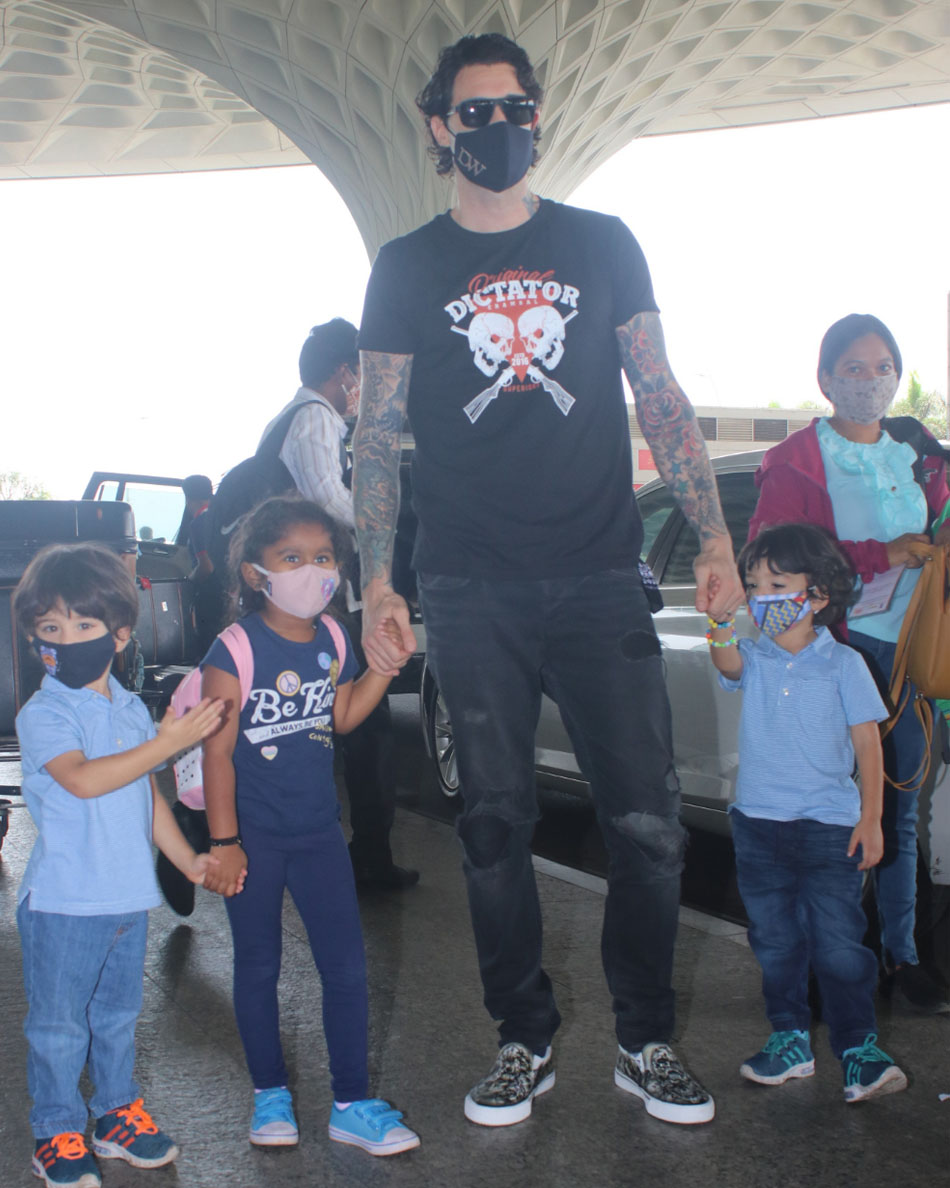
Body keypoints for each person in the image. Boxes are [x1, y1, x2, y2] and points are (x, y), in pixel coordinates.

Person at [354, 32, 744, 1128]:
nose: (498, 127)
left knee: (650, 824)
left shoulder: (600, 242)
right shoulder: (406, 266)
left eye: (514, 108)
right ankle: (521, 1039)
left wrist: (713, 536)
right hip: (469, 585)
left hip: (597, 575)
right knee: (492, 822)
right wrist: (375, 580)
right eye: (475, 112)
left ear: (537, 116)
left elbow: (658, 393)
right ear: (440, 127)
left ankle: (643, 1038)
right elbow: (377, 433)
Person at [198, 495, 420, 1156]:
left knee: (347, 969)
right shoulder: (234, 649)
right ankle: (270, 1095)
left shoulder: (333, 637)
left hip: (320, 833)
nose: (312, 571)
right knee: (258, 965)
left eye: (323, 557)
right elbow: (216, 754)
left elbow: (340, 715)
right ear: (255, 573)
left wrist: (380, 671)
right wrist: (225, 843)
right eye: (291, 557)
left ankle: (351, 1102)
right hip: (254, 840)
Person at [749, 313, 950, 1015]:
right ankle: (818, 961)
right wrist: (879, 554)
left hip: (906, 653)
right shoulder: (797, 460)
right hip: (830, 654)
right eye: (855, 369)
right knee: (824, 811)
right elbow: (773, 561)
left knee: (897, 812)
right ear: (826, 379)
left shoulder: (914, 454)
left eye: (883, 368)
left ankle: (903, 956)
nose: (871, 381)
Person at [12, 542, 229, 1188]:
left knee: (115, 1017)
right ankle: (56, 1130)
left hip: (126, 898)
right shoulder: (44, 713)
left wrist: (187, 859)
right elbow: (83, 779)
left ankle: (115, 1113)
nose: (64, 640)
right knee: (59, 1027)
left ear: (121, 634)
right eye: (50, 628)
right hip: (64, 903)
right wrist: (165, 744)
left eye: (83, 624)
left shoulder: (130, 709)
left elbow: (145, 797)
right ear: (34, 638)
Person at [707, 523, 908, 1102]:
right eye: (753, 585)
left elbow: (869, 745)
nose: (762, 596)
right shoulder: (755, 657)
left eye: (777, 584)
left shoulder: (844, 663)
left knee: (839, 942)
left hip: (829, 827)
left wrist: (872, 819)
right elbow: (727, 664)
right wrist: (720, 619)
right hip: (758, 824)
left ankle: (858, 1048)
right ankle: (790, 1038)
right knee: (775, 941)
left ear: (817, 594)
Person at [259, 320, 418, 890]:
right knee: (367, 727)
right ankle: (369, 857)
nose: (363, 388)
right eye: (361, 374)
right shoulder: (316, 419)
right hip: (320, 604)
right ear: (344, 372)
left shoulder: (288, 419)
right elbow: (328, 498)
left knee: (291, 722)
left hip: (296, 602)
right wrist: (387, 521)